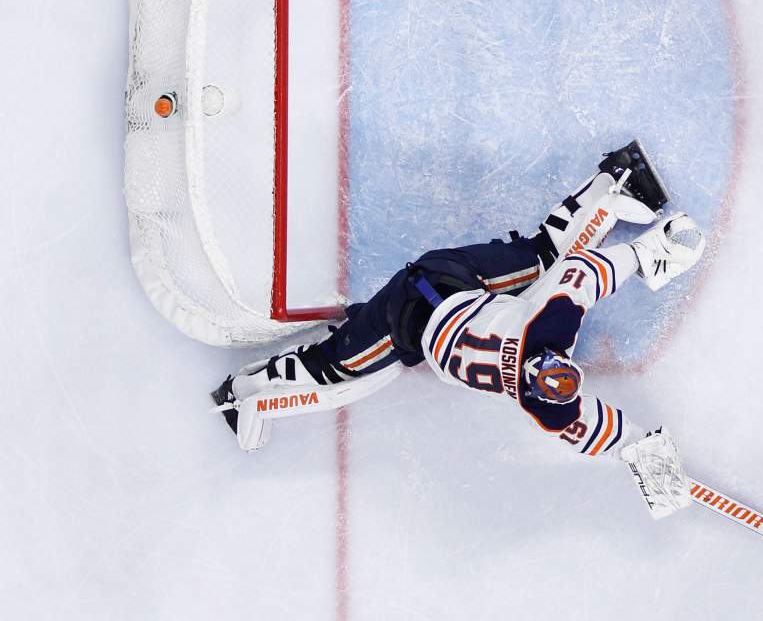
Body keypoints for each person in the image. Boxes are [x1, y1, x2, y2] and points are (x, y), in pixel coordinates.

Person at [211, 141, 706, 518]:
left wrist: (649, 253)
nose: (553, 363)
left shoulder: (549, 334)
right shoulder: (544, 382)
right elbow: (593, 425)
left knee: (544, 260)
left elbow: (587, 280)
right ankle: (246, 393)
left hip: (438, 290)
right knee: (338, 367)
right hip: (421, 309)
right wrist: (644, 456)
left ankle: (618, 179)